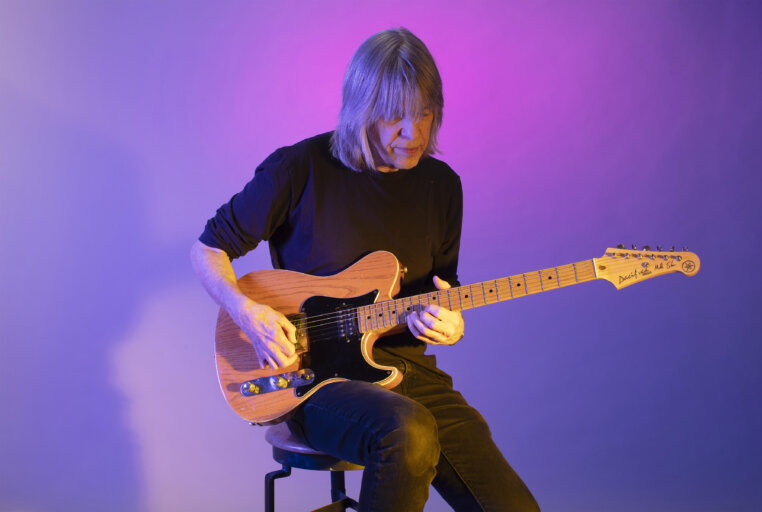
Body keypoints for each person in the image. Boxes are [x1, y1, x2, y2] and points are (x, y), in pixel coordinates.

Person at [191, 28, 539, 512]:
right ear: (361, 110)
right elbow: (207, 250)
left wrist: (452, 324)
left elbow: (444, 287)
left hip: (409, 373)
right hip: (316, 382)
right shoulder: (297, 169)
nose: (413, 133)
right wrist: (246, 312)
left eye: (424, 112)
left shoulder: (442, 187)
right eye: (395, 116)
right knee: (407, 431)